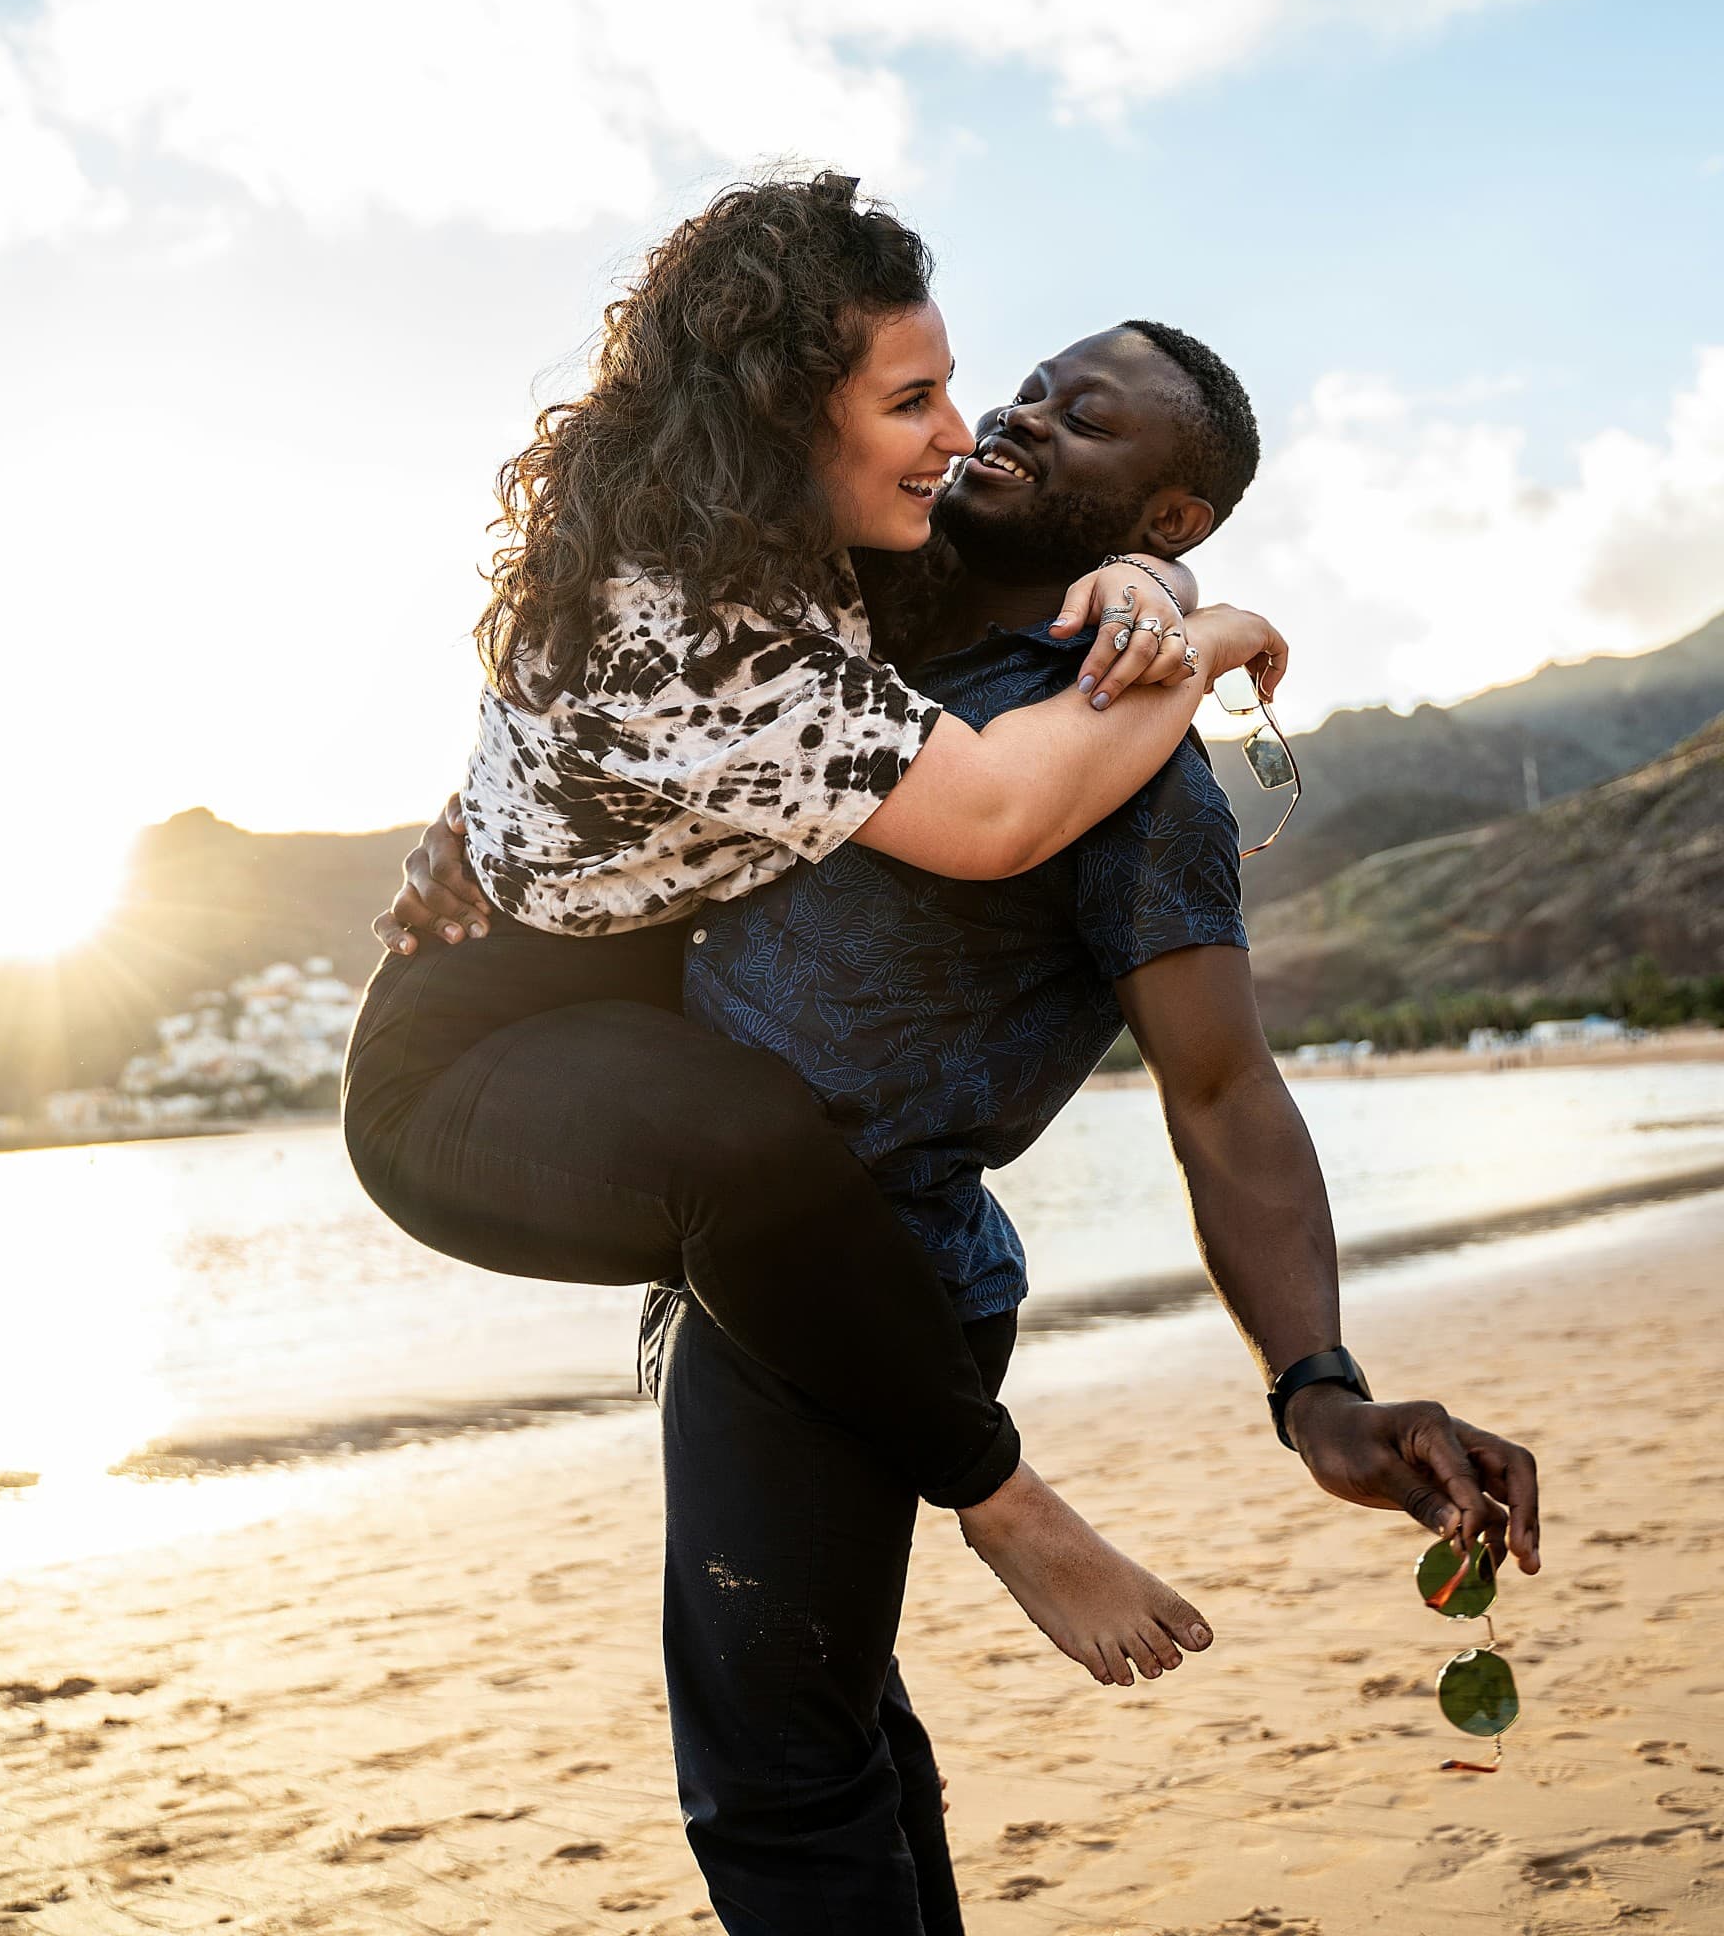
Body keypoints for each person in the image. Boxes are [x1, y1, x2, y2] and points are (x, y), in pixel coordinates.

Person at [392, 322, 1544, 1934]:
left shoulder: (1129, 767)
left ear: (1169, 520)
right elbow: (634, 730)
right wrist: (486, 841)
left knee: (779, 1781)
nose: (1018, 417)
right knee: (834, 1736)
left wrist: (1319, 1388)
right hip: (748, 1247)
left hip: (867, 1273)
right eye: (1027, 388)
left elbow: (1222, 1091)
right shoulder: (859, 632)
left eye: (1086, 422)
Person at [341, 171, 1290, 1667]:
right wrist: (1216, 632)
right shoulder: (690, 612)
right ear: (791, 413)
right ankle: (1009, 1503)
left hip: (643, 1034)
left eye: (958, 389)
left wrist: (1158, 576)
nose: (966, 432)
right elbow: (991, 816)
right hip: (476, 1061)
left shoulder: (811, 547)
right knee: (754, 1142)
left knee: (821, 1720)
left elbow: (1044, 589)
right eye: (918, 399)